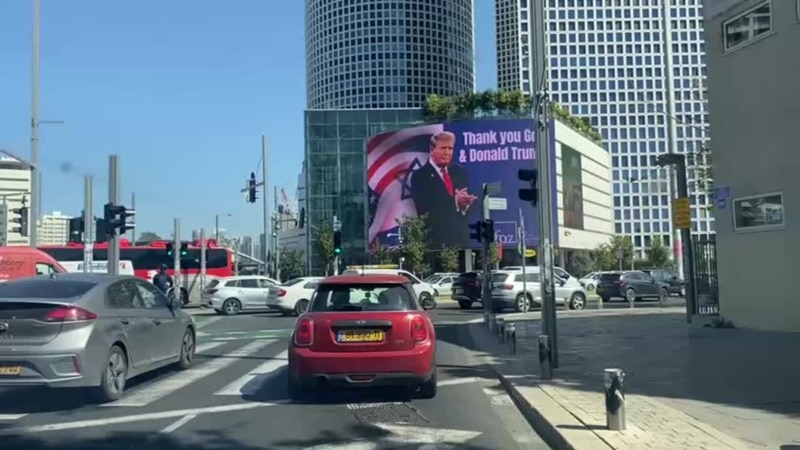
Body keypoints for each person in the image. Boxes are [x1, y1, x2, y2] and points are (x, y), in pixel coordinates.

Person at [410, 131, 478, 246]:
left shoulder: (459, 172)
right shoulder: (420, 176)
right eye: (443, 148)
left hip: (461, 241)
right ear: (431, 149)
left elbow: (468, 203)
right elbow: (427, 209)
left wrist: (466, 204)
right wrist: (456, 201)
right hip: (436, 242)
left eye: (450, 148)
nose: (447, 152)